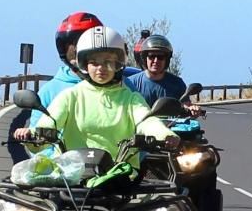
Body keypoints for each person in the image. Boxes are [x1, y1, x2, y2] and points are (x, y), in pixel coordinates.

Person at [16, 11, 160, 141]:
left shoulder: (126, 89)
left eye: (80, 41)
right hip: (66, 166)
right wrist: (54, 158)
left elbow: (144, 121)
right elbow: (40, 134)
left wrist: (161, 135)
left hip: (119, 165)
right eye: (69, 44)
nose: (73, 49)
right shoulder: (55, 91)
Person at [35, 26, 178, 155]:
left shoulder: (130, 99)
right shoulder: (71, 96)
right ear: (84, 64)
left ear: (118, 64)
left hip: (119, 174)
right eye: (94, 62)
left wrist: (164, 135)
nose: (101, 68)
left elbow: (146, 121)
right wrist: (32, 134)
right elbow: (51, 120)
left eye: (108, 62)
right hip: (72, 173)